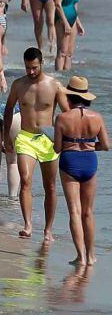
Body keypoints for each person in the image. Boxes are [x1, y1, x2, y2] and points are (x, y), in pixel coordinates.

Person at [3, 48, 70, 242]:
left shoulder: (55, 85)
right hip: (26, 137)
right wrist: (8, 136)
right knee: (25, 180)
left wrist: (65, 140)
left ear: (41, 64)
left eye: (34, 68)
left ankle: (48, 230)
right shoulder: (18, 85)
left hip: (48, 140)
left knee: (50, 186)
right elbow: (8, 110)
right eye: (27, 68)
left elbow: (67, 114)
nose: (30, 72)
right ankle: (28, 225)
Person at [53, 76, 107, 266]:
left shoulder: (62, 118)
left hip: (69, 162)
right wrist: (90, 147)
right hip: (90, 162)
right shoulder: (97, 117)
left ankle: (80, 257)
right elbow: (106, 145)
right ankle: (91, 255)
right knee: (88, 212)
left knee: (74, 211)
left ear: (70, 96)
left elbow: (57, 149)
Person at [52, 0, 83, 71]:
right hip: (62, 20)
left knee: (69, 53)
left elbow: (74, 6)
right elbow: (57, 5)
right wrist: (65, 23)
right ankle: (59, 77)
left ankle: (67, 77)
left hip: (73, 20)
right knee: (62, 51)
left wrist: (78, 23)